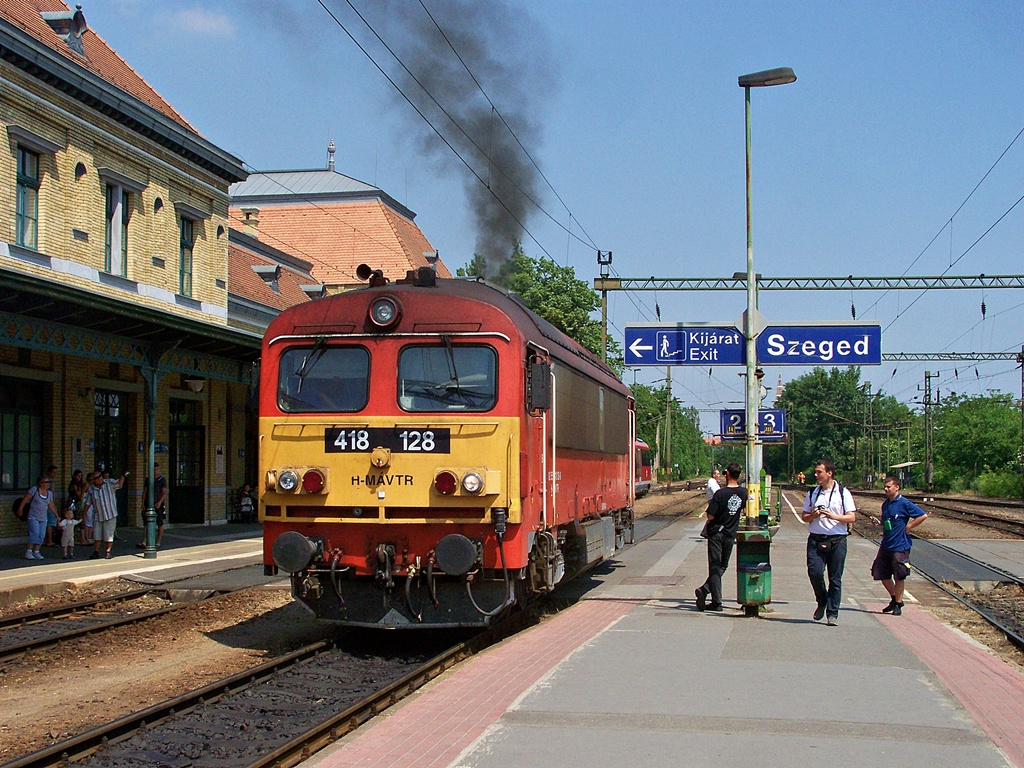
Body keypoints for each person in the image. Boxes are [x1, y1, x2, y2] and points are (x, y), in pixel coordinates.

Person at [800, 458, 857, 626]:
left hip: (837, 539)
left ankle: (833, 613)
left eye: (819, 472)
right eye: (816, 472)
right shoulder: (813, 493)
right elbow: (804, 516)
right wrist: (813, 516)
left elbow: (852, 517)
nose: (816, 475)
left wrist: (834, 516)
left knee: (835, 578)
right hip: (816, 538)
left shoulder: (842, 493)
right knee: (815, 572)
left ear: (829, 473)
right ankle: (822, 600)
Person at [870, 475, 927, 616]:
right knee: (880, 573)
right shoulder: (886, 504)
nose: (886, 489)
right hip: (886, 544)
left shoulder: (904, 503)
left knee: (899, 575)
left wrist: (909, 527)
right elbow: (887, 522)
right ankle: (895, 599)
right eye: (885, 486)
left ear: (897, 487)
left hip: (900, 545)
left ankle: (898, 604)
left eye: (889, 486)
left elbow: (922, 515)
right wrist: (878, 523)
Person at [695, 462, 746, 612]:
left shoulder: (720, 494)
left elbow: (710, 515)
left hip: (717, 533)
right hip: (731, 534)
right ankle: (711, 597)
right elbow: (743, 510)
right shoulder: (743, 492)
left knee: (715, 566)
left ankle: (709, 594)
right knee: (723, 565)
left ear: (727, 474)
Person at [84, 467, 127, 559]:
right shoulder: (91, 489)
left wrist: (123, 476)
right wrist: (84, 513)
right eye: (96, 478)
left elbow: (119, 484)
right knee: (97, 534)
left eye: (99, 476)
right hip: (98, 515)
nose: (99, 479)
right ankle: (96, 552)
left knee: (109, 534)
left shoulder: (109, 483)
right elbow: (88, 502)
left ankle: (108, 551)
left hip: (110, 514)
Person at [17, 474, 58, 560]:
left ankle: (36, 551)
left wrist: (56, 516)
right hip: (33, 516)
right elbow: (25, 499)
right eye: (46, 482)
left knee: (41, 535)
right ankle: (29, 551)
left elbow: (51, 505)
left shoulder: (49, 493)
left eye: (48, 482)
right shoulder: (34, 490)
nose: (48, 484)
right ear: (40, 483)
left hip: (43, 517)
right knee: (34, 533)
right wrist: (20, 509)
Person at [138, 463, 168, 549]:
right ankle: (145, 540)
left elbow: (164, 493)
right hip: (148, 503)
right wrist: (143, 503)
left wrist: (159, 502)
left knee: (160, 522)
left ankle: (158, 541)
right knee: (146, 522)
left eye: (157, 470)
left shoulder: (162, 480)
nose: (155, 472)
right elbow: (145, 491)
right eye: (154, 470)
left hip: (158, 503)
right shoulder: (148, 479)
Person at [67, 469, 87, 543]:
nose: (79, 477)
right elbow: (79, 496)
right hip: (75, 504)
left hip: (79, 504)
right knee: (77, 521)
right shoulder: (74, 485)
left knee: (79, 521)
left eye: (81, 476)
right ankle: (80, 539)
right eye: (78, 476)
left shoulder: (80, 484)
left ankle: (78, 538)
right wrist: (84, 489)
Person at [43, 464, 59, 546]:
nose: (55, 474)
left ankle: (47, 540)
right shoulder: (50, 482)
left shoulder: (51, 481)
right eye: (53, 472)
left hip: (48, 503)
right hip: (49, 504)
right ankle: (49, 541)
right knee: (50, 522)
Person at [80, 472, 95, 545]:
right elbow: (82, 495)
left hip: (92, 504)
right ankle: (87, 537)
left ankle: (90, 537)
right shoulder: (86, 485)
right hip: (87, 504)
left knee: (91, 521)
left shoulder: (93, 486)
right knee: (87, 521)